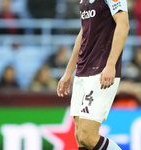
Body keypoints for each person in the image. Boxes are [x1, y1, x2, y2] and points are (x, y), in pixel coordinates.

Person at [57, 0, 129, 149]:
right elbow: (84, 32)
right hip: (83, 70)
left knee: (87, 135)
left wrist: (110, 64)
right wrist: (69, 71)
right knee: (80, 137)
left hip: (101, 69)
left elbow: (123, 24)